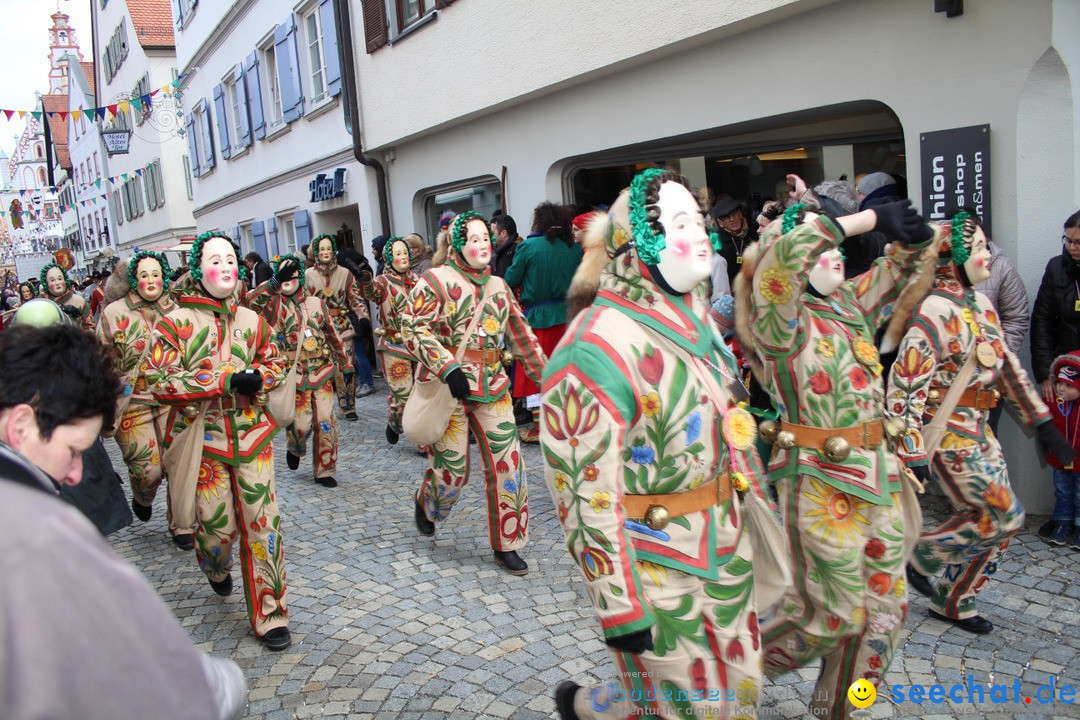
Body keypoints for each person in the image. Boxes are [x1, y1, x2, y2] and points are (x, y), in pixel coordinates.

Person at [545, 169, 772, 720]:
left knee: (741, 698)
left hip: (727, 548)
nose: (699, 234)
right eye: (678, 224)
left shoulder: (696, 320)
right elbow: (582, 492)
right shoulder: (594, 346)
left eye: (698, 220)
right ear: (635, 243)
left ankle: (594, 708)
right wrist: (618, 606)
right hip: (655, 561)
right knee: (695, 710)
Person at [739, 191, 932, 719]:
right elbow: (779, 262)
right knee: (827, 617)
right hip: (822, 485)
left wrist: (912, 236)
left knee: (885, 615)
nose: (836, 256)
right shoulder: (781, 318)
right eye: (822, 250)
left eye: (839, 251)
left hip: (879, 481)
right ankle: (717, 683)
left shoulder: (846, 302)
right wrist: (865, 218)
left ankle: (841, 710)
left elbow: (903, 266)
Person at [0, 323, 247, 720]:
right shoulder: (41, 532)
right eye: (74, 450)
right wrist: (226, 682)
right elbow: (170, 683)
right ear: (22, 426)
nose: (76, 474)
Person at [888, 211, 1074, 635]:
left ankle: (954, 601)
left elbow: (1007, 368)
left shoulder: (980, 305)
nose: (987, 255)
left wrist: (1042, 424)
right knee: (1001, 514)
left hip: (979, 428)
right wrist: (912, 449)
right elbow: (904, 386)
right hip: (948, 433)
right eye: (978, 248)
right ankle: (922, 553)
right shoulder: (933, 312)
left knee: (1001, 525)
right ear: (952, 258)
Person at [147, 232, 292, 651]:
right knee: (216, 532)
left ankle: (272, 613)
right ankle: (214, 567)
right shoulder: (176, 323)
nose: (227, 266)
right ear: (198, 268)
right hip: (204, 441)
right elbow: (159, 380)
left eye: (231, 258)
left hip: (252, 436)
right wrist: (222, 379)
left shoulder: (252, 320)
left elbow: (276, 361)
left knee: (265, 527)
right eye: (216, 259)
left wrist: (262, 376)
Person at [402, 211, 546, 575]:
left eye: (486, 238)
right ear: (457, 244)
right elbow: (413, 328)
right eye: (474, 239)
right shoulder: (435, 281)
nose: (482, 245)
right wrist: (445, 365)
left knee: (509, 465)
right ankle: (430, 503)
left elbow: (522, 336)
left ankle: (508, 543)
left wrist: (549, 380)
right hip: (448, 390)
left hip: (493, 387)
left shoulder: (498, 286)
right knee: (452, 469)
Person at [97, 252, 194, 549]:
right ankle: (143, 493)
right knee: (149, 468)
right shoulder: (114, 312)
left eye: (156, 274)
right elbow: (101, 359)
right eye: (144, 274)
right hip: (133, 402)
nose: (151, 281)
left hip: (172, 399)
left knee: (179, 463)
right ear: (133, 279)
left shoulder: (177, 308)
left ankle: (182, 525)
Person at [248, 253, 352, 487]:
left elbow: (332, 334)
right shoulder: (272, 306)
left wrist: (345, 364)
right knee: (301, 425)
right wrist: (273, 284)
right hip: (291, 375)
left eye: (292, 276)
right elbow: (250, 301)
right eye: (283, 277)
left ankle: (325, 470)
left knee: (326, 422)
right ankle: (295, 447)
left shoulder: (315, 303)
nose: (288, 281)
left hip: (320, 370)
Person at [504, 202, 583, 443]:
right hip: (568, 316)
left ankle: (540, 426)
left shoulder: (528, 247)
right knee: (565, 371)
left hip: (537, 317)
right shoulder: (575, 250)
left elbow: (511, 278)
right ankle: (566, 421)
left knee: (535, 372)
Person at [306, 233, 375, 419]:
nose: (326, 252)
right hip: (318, 328)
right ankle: (322, 407)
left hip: (342, 326)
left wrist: (363, 317)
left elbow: (355, 298)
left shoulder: (345, 273)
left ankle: (348, 406)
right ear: (316, 252)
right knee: (319, 368)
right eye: (322, 249)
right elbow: (302, 303)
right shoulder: (308, 275)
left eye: (329, 248)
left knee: (346, 367)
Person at [358, 237, 419, 445]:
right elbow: (371, 291)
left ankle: (422, 440)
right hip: (394, 344)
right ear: (389, 258)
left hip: (419, 345)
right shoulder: (383, 281)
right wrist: (365, 278)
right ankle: (395, 420)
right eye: (397, 254)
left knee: (422, 394)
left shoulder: (419, 280)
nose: (402, 257)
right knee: (402, 395)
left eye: (405, 253)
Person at [1031, 210, 1080, 403]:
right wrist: (1046, 374)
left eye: (1078, 242)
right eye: (1067, 240)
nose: (1071, 247)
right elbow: (1042, 323)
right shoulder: (1055, 268)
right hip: (1064, 371)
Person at [1040, 351, 1080, 548]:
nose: (1062, 389)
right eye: (1060, 383)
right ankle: (1062, 523)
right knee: (1063, 492)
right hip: (1060, 459)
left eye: (1069, 386)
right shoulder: (1054, 401)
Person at [711, 194, 758, 286]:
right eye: (727, 217)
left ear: (740, 214)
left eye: (734, 214)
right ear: (720, 223)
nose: (732, 219)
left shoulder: (755, 232)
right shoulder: (718, 242)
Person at [39, 261, 92, 330]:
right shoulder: (43, 304)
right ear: (46, 284)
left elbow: (90, 326)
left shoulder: (78, 300)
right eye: (52, 280)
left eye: (60, 279)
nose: (57, 283)